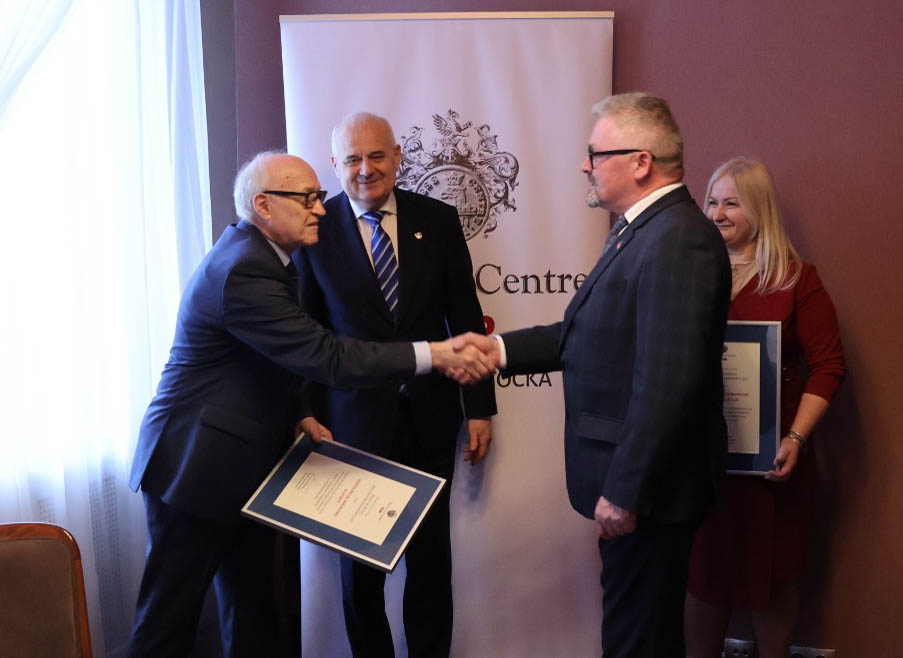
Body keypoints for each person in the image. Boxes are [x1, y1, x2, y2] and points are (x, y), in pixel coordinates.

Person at [126, 152, 495, 658]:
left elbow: (275, 355)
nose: (320, 208)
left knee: (254, 620)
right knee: (166, 627)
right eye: (305, 198)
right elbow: (326, 355)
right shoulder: (245, 269)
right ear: (262, 205)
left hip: (241, 469)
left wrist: (300, 412)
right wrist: (434, 353)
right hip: (194, 468)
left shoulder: (267, 259)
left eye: (318, 196)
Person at [469, 92, 731, 657]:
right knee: (640, 635)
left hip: (651, 493)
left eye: (595, 153)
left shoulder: (677, 239)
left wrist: (626, 489)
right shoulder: (641, 230)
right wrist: (494, 350)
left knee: (637, 641)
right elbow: (584, 333)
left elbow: (669, 381)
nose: (584, 165)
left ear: (641, 162)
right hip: (640, 487)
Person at [292, 112, 496, 658]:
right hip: (350, 427)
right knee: (360, 576)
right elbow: (305, 334)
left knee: (430, 565)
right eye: (352, 159)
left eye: (377, 156)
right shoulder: (313, 231)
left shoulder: (439, 219)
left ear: (398, 156)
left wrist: (480, 406)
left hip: (429, 420)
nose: (366, 169)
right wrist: (305, 413)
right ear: (334, 164)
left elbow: (465, 317)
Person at [685, 157, 847, 658]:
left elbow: (829, 365)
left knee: (773, 580)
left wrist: (795, 438)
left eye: (732, 203)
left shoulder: (796, 279)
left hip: (772, 464)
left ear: (760, 209)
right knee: (701, 579)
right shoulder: (689, 274)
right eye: (712, 201)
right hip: (703, 462)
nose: (717, 213)